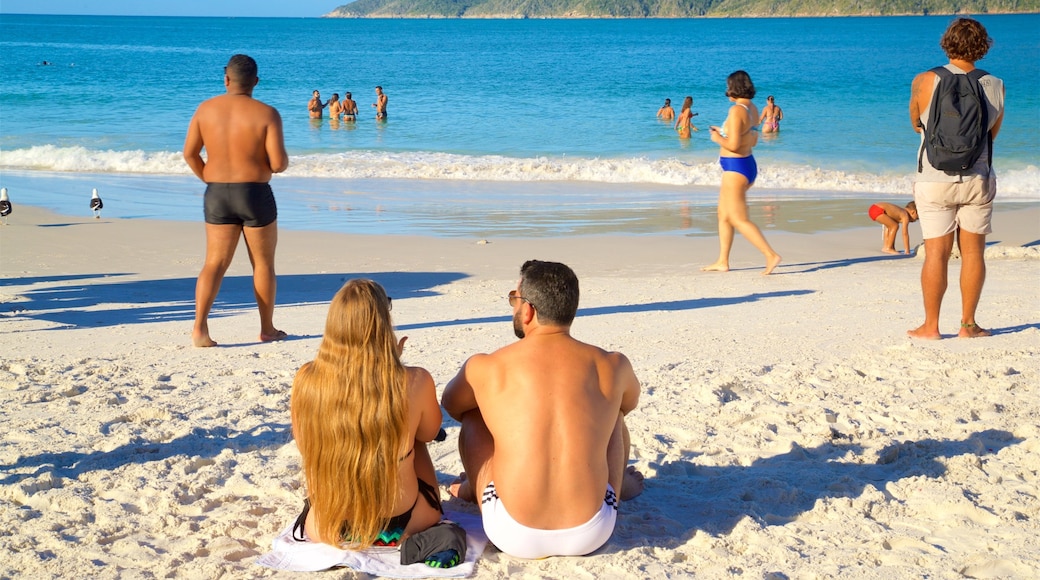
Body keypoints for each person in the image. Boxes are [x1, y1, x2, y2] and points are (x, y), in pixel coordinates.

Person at [441, 260, 644, 560]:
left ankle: (474, 489)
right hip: (592, 530)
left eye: (515, 298)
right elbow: (629, 403)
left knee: (474, 415)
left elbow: (453, 406)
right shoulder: (612, 364)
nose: (514, 306)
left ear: (529, 310)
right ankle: (618, 485)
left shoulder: (488, 366)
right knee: (614, 413)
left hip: (511, 531)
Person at [291, 279, 446, 549]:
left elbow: (305, 445)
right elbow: (430, 433)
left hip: (328, 525)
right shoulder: (415, 380)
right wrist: (396, 366)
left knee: (326, 442)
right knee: (414, 436)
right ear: (384, 322)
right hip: (404, 522)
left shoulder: (307, 378)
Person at [907, 18, 1004, 340]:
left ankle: (930, 326)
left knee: (936, 253)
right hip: (978, 177)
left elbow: (916, 124)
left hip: (933, 177)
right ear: (983, 46)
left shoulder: (924, 80)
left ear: (946, 43)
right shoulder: (995, 83)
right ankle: (968, 325)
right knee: (974, 253)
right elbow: (993, 134)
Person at [183, 54, 289, 347]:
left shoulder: (205, 109)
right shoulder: (267, 113)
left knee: (214, 263)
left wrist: (208, 178)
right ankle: (267, 329)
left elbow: (190, 153)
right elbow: (278, 164)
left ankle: (200, 330)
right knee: (263, 264)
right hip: (254, 193)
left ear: (226, 79)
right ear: (255, 81)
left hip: (217, 192)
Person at [701, 71, 781, 275]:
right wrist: (723, 131)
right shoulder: (751, 108)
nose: (726, 90)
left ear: (733, 88)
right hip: (745, 164)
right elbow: (749, 137)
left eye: (728, 86)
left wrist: (716, 138)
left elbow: (734, 144)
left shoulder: (737, 110)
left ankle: (770, 254)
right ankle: (722, 261)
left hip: (736, 168)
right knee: (723, 215)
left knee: (738, 218)